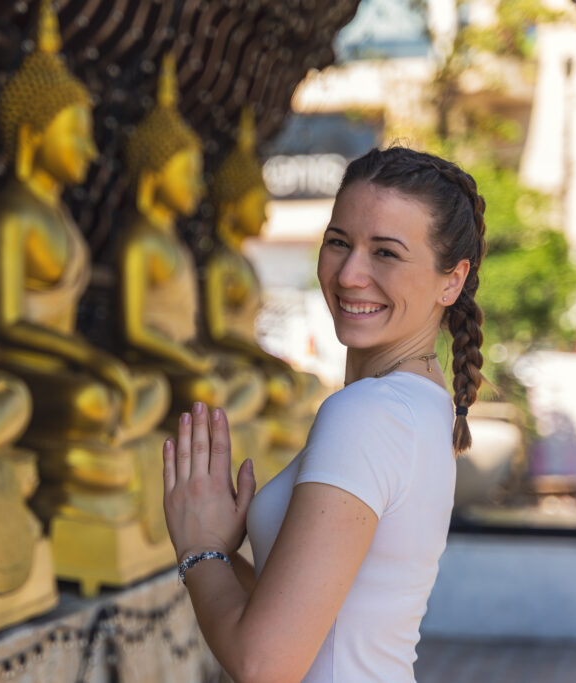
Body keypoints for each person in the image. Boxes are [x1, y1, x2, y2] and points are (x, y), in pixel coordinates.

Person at [162, 145, 486, 682]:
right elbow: (321, 628)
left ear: (451, 280)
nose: (350, 274)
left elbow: (265, 663)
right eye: (338, 242)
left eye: (386, 253)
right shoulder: (422, 405)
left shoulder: (369, 414)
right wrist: (222, 553)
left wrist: (198, 551)